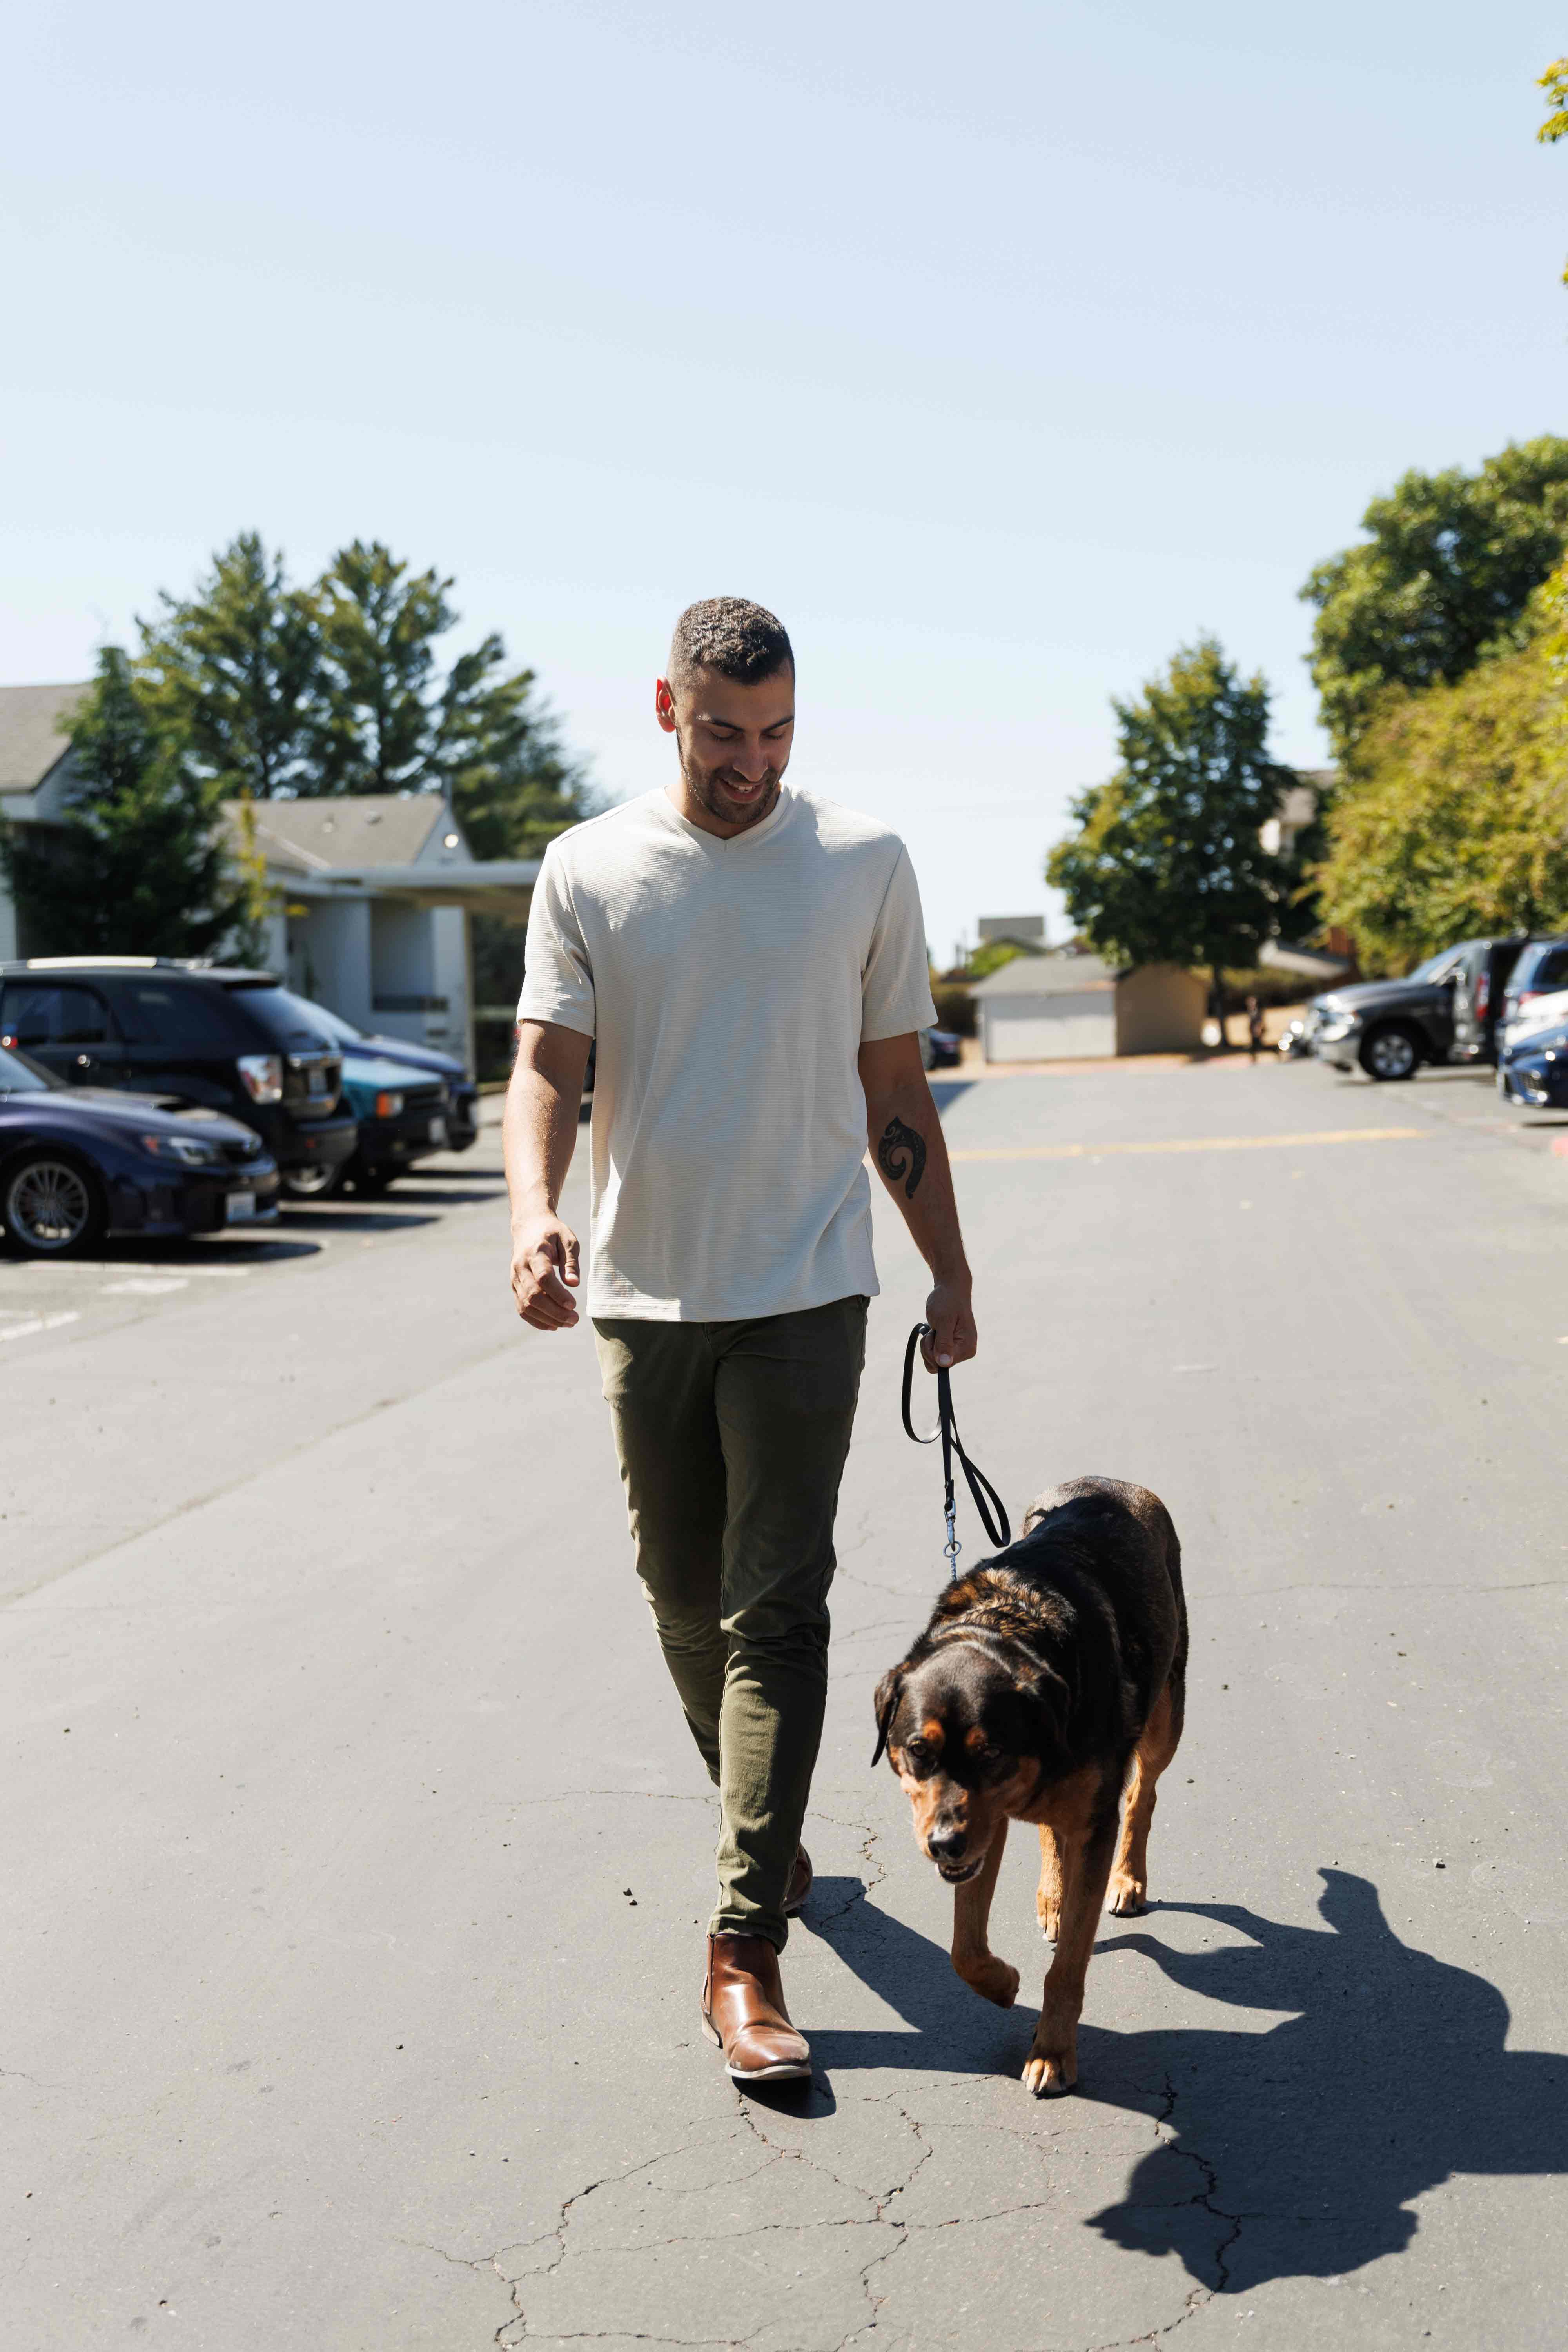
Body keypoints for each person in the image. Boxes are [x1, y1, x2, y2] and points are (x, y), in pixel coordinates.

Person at [503, 597, 977, 2083]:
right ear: (667, 709)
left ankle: (741, 1946)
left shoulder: (863, 863)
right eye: (724, 733)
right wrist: (532, 1214)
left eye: (777, 733)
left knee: (779, 1610)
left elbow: (896, 1093)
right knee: (682, 1594)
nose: (752, 763)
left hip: (807, 1293)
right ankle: (763, 1840)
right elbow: (548, 1067)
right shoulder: (589, 868)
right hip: (647, 1298)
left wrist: (948, 1275)